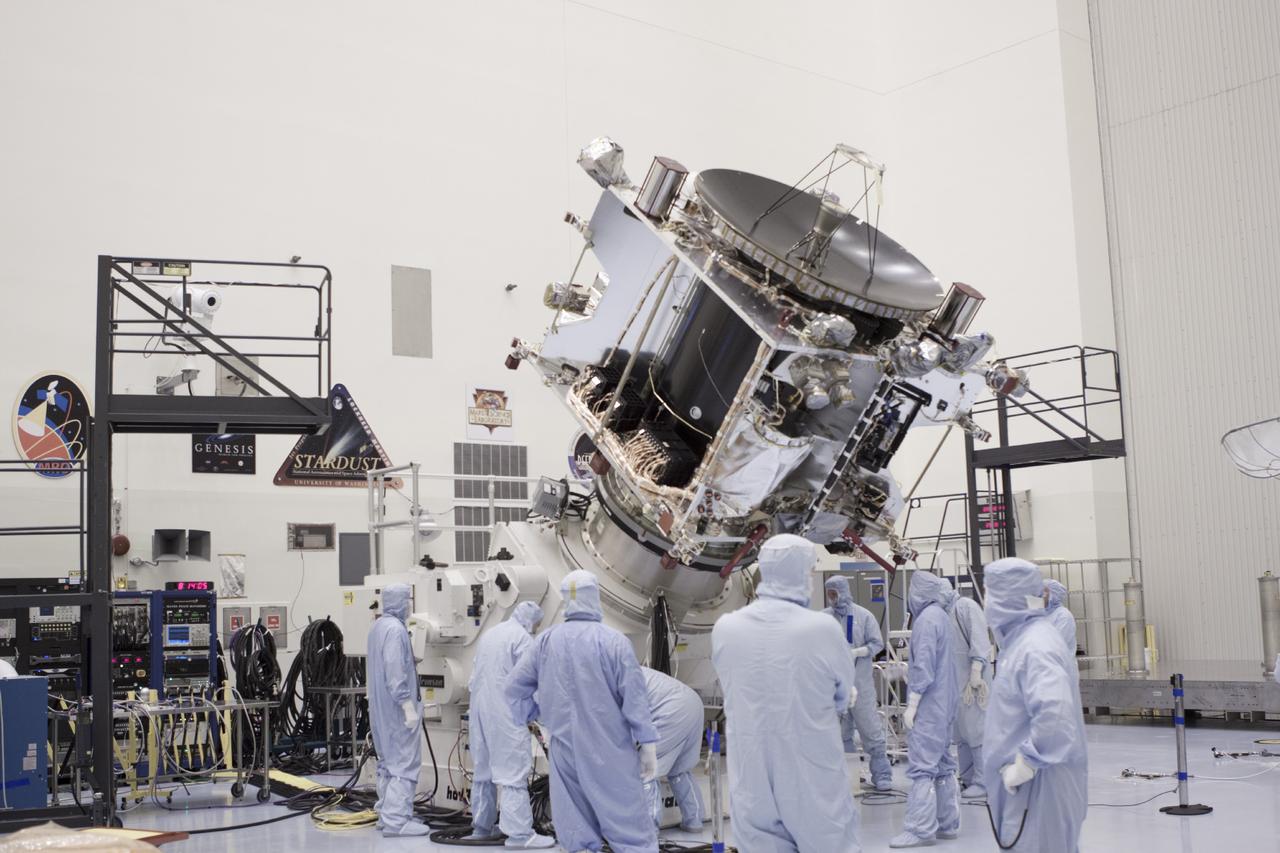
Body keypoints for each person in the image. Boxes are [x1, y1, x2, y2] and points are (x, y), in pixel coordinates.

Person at [711, 534, 862, 853]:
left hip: (751, 778)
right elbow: (842, 695)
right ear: (798, 573)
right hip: (810, 774)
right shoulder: (821, 629)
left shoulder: (726, 628)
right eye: (809, 571)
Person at [505, 570, 658, 853]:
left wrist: (534, 713)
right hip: (609, 749)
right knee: (628, 825)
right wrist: (647, 743)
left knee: (575, 829)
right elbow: (635, 699)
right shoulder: (613, 642)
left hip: (564, 748)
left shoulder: (546, 641)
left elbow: (513, 688)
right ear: (595, 597)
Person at [982, 558, 1088, 852]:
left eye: (990, 592)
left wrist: (1027, 763)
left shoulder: (1034, 646)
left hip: (1039, 788)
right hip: (1031, 789)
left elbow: (1055, 714)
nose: (986, 600)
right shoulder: (1021, 641)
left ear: (1007, 595)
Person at [466, 601, 556, 849]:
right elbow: (530, 682)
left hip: (480, 712)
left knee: (483, 773)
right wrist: (545, 719)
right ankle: (519, 835)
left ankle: (482, 828)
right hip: (506, 715)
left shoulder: (490, 635)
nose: (536, 629)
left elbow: (474, 678)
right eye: (536, 624)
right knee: (513, 774)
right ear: (530, 620)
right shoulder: (522, 639)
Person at [889, 571, 961, 849]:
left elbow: (925, 666)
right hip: (945, 704)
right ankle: (947, 823)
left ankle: (919, 830)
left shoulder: (926, 620)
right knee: (943, 765)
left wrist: (913, 703)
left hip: (930, 706)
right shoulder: (942, 617)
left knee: (923, 768)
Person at [367, 583, 429, 837]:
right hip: (396, 708)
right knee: (404, 761)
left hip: (380, 707)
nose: (410, 605)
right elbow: (394, 669)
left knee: (388, 762)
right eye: (408, 601)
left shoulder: (378, 627)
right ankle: (396, 821)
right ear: (402, 602)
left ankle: (386, 812)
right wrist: (407, 705)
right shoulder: (395, 630)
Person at [822, 576, 893, 791]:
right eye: (829, 594)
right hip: (833, 687)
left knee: (870, 730)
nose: (833, 598)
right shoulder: (823, 619)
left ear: (844, 591)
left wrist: (858, 651)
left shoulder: (864, 616)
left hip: (860, 685)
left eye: (835, 593)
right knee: (839, 734)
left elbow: (877, 643)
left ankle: (881, 774)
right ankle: (849, 774)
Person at [640, 667, 705, 831]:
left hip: (672, 709)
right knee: (680, 769)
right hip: (692, 702)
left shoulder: (610, 680)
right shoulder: (629, 668)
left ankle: (648, 832)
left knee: (644, 768)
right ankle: (694, 821)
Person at [945, 585, 992, 798]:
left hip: (973, 680)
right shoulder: (944, 613)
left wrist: (976, 670)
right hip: (956, 683)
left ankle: (984, 781)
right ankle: (967, 778)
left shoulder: (965, 606)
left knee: (977, 731)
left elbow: (979, 639)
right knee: (962, 733)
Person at [1043, 579, 1077, 654]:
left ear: (1053, 595)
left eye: (1044, 591)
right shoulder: (1041, 615)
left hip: (1059, 663)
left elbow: (1057, 645)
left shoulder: (1063, 615)